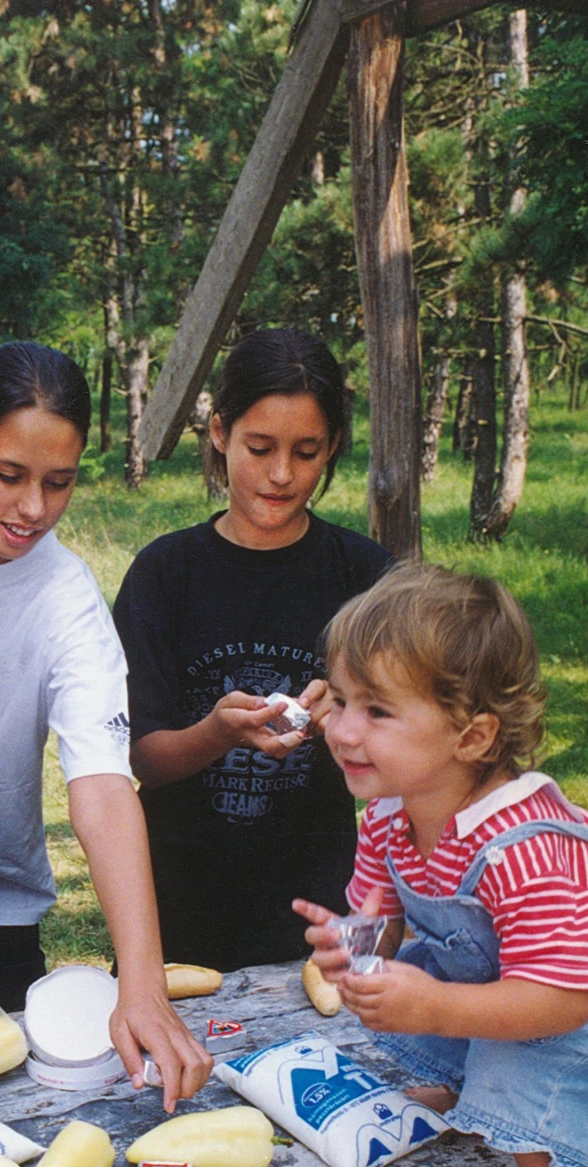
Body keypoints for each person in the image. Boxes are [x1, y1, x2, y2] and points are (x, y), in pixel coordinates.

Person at [295, 564, 588, 1167]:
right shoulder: (392, 810)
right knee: (407, 980)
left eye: (378, 711)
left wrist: (439, 1005)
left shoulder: (533, 851)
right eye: (341, 698)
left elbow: (562, 1000)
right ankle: (463, 1087)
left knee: (526, 1059)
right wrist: (351, 950)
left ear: (475, 736)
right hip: (515, 969)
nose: (342, 729)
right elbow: (378, 916)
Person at [0, 341, 211, 1111]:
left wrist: (141, 982)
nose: (32, 510)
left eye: (60, 483)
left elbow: (103, 786)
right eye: (8, 476)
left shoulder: (67, 597)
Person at [113, 328, 391, 973]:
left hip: (326, 900)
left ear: (332, 450)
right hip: (180, 901)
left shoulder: (368, 577)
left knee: (347, 1048)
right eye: (259, 447)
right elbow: (144, 760)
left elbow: (415, 756)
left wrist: (350, 720)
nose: (281, 474)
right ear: (218, 432)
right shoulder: (165, 574)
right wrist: (217, 733)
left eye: (307, 451)